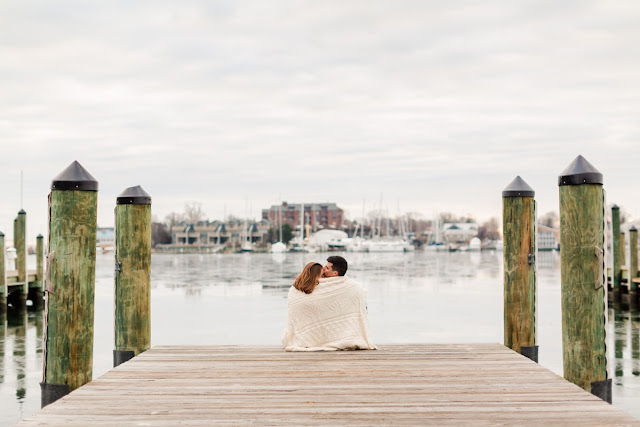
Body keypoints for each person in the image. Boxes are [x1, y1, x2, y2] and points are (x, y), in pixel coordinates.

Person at [281, 256, 376, 351]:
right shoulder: (306, 289)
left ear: (335, 273)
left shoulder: (349, 287)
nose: (324, 269)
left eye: (327, 268)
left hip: (336, 334)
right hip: (310, 333)